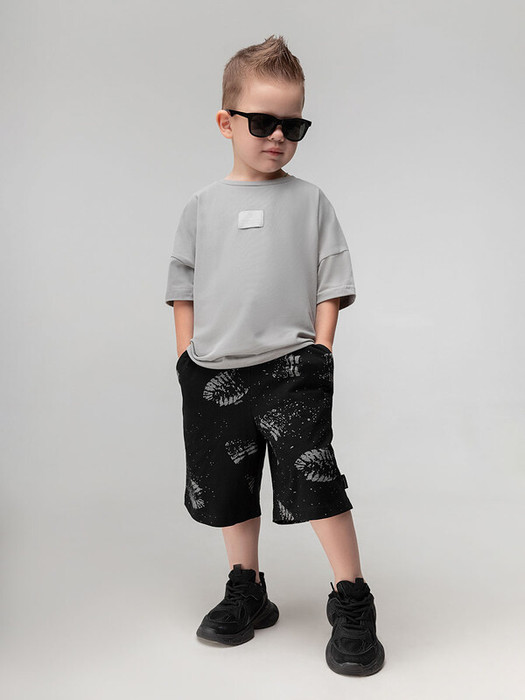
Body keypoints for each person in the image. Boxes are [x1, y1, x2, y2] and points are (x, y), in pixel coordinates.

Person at [164, 34, 385, 676]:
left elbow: (331, 281)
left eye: (294, 125)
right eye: (262, 122)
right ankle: (247, 588)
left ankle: (352, 597)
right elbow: (182, 287)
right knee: (228, 489)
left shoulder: (310, 201)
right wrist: (186, 359)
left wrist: (321, 351)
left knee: (317, 483)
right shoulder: (201, 208)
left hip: (292, 370)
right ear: (226, 122)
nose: (278, 136)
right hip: (214, 372)